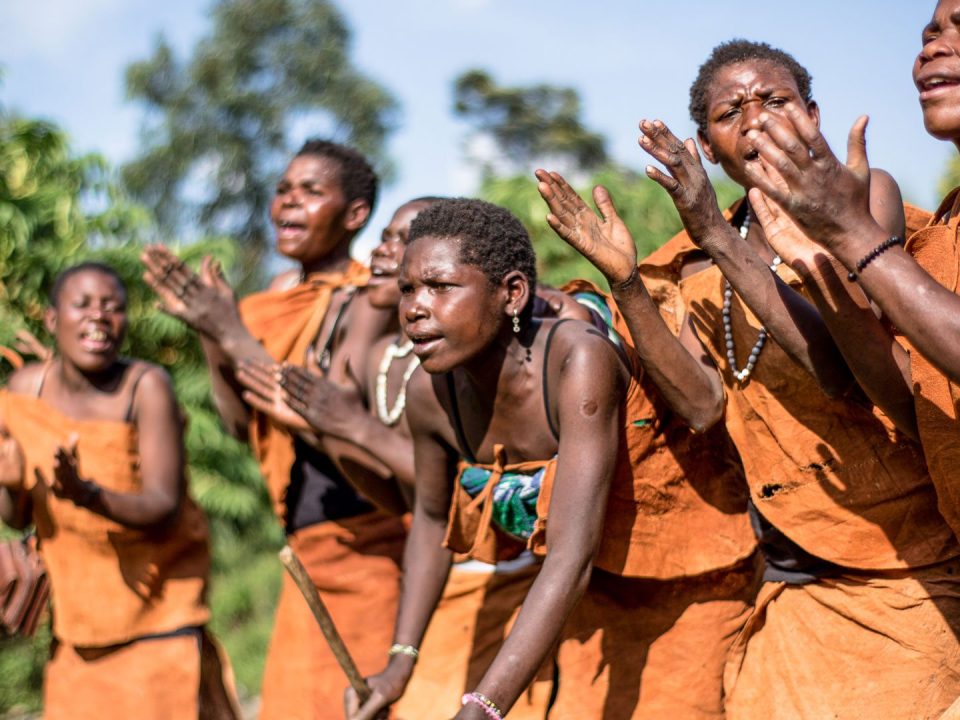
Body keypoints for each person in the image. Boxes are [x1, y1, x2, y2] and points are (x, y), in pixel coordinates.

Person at [544, 39, 960, 718]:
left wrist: (715, 235)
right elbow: (702, 403)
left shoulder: (861, 198)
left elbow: (844, 370)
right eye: (730, 111)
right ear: (707, 149)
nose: (755, 119)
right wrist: (627, 282)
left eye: (775, 100)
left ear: (814, 116)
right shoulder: (704, 261)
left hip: (898, 572)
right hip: (790, 579)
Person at [142, 139, 406, 720]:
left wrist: (232, 334)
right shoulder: (264, 307)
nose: (288, 202)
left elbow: (340, 419)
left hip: (375, 544)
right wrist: (214, 334)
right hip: (305, 552)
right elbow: (243, 425)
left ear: (355, 215)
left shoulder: (373, 299)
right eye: (284, 189)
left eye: (311, 192)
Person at [345, 198, 630, 720]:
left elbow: (570, 555)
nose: (414, 308)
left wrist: (483, 705)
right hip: (550, 603)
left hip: (648, 593)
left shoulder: (577, 362)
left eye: (441, 287)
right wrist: (399, 663)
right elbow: (431, 519)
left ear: (512, 293)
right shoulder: (432, 395)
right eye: (408, 289)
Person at [738, 0, 960, 545]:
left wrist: (851, 234)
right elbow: (921, 415)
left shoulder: (874, 214)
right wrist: (819, 267)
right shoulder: (948, 222)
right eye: (928, 32)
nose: (932, 45)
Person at [533, 195, 759, 717]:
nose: (417, 304)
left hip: (713, 565)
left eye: (441, 286)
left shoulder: (588, 343)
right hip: (604, 591)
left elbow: (702, 406)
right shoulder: (684, 265)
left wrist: (628, 282)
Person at [0, 262, 239, 719]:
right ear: (53, 320)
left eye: (114, 307)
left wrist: (85, 493)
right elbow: (17, 517)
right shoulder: (25, 391)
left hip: (159, 616)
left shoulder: (144, 386)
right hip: (76, 629)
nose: (99, 317)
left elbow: (163, 504)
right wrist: (10, 485)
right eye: (83, 304)